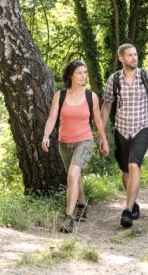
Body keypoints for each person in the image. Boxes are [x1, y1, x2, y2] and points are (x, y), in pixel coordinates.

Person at [99, 43, 148, 228]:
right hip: (121, 129)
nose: (134, 58)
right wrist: (101, 133)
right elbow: (106, 106)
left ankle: (127, 210)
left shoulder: (146, 77)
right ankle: (133, 202)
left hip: (142, 127)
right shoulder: (114, 80)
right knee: (125, 171)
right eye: (129, 55)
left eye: (135, 55)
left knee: (134, 164)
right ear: (121, 58)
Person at [42, 60, 109, 234]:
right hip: (64, 142)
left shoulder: (90, 96)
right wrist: (46, 135)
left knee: (72, 175)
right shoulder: (60, 96)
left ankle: (68, 218)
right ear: (71, 75)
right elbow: (52, 118)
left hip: (84, 141)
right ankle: (81, 205)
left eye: (85, 72)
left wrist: (103, 139)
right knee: (75, 177)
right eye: (80, 73)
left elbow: (97, 120)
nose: (83, 76)